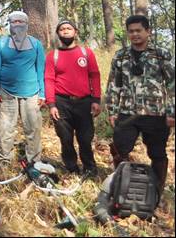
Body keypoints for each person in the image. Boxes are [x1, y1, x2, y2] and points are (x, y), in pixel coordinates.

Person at [105, 15, 174, 195]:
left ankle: (157, 191)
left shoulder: (161, 54)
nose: (135, 34)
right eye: (131, 31)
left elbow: (172, 83)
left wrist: (171, 111)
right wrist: (112, 110)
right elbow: (114, 84)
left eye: (138, 30)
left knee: (157, 153)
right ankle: (121, 185)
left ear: (147, 31)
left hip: (155, 113)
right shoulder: (121, 56)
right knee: (119, 149)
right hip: (127, 112)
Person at [45, 20, 102, 177]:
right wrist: (51, 104)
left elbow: (95, 76)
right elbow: (49, 79)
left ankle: (90, 170)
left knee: (85, 139)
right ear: (58, 33)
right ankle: (72, 169)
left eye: (68, 28)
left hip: (84, 102)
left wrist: (96, 100)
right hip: (61, 103)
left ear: (75, 32)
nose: (65, 31)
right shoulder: (52, 56)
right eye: (62, 29)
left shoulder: (86, 53)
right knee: (65, 138)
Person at [0, 11, 45, 169]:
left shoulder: (36, 44)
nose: (18, 24)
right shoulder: (1, 43)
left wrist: (42, 93)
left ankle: (34, 164)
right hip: (6, 93)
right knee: (4, 129)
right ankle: (3, 164)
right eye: (14, 21)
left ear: (27, 24)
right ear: (9, 24)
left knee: (33, 130)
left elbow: (40, 69)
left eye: (21, 21)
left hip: (32, 93)